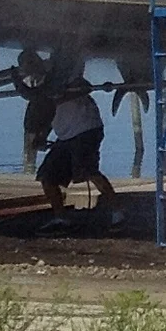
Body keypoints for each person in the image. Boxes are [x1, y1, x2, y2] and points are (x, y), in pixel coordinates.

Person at [32, 54, 120, 230]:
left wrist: (58, 97)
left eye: (29, 64)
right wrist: (42, 135)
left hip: (86, 128)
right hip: (65, 135)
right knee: (47, 176)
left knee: (88, 171)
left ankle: (118, 212)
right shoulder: (38, 86)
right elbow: (48, 113)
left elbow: (84, 86)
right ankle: (61, 217)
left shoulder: (59, 73)